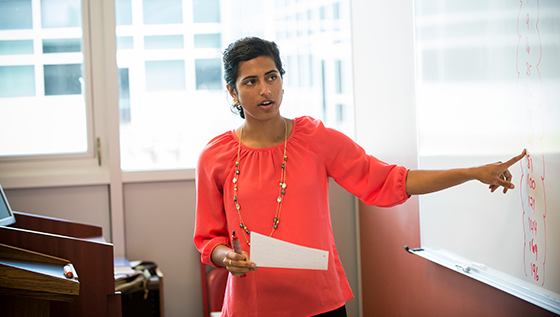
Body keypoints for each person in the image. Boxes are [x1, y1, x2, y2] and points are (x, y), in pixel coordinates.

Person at [193, 37, 526, 317]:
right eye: (250, 82)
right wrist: (227, 258)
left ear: (282, 79)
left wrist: (471, 173)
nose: (265, 89)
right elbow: (209, 238)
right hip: (252, 305)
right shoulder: (215, 157)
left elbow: (391, 179)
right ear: (233, 92)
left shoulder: (315, 139)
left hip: (320, 303)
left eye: (272, 76)